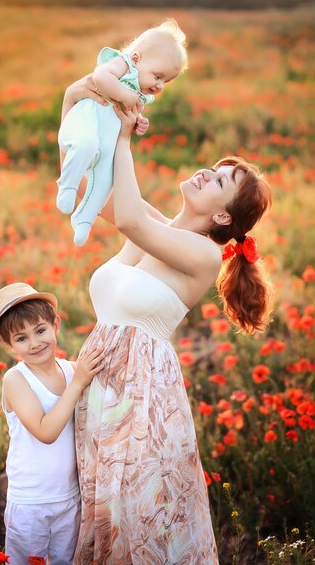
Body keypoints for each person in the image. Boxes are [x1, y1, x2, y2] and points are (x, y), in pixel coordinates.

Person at [59, 78, 273, 564]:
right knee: (105, 519)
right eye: (215, 169)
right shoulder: (156, 228)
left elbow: (130, 218)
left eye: (219, 181)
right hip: (99, 390)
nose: (206, 173)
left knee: (137, 525)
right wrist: (75, 104)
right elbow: (78, 187)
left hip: (142, 399)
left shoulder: (201, 254)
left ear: (222, 218)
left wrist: (122, 138)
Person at [0, 282, 104, 565]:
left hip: (69, 496)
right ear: (9, 345)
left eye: (40, 330)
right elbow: (46, 431)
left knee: (66, 561)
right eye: (21, 338)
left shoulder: (70, 370)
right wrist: (77, 384)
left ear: (56, 325)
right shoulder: (16, 380)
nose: (35, 343)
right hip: (31, 501)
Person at [57, 19, 187, 246]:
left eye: (166, 81)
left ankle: (84, 218)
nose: (159, 86)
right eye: (158, 76)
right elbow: (100, 76)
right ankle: (66, 187)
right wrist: (124, 96)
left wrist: (139, 123)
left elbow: (134, 114)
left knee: (105, 180)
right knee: (85, 145)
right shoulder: (123, 65)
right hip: (86, 123)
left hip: (105, 137)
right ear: (136, 58)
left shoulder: (141, 92)